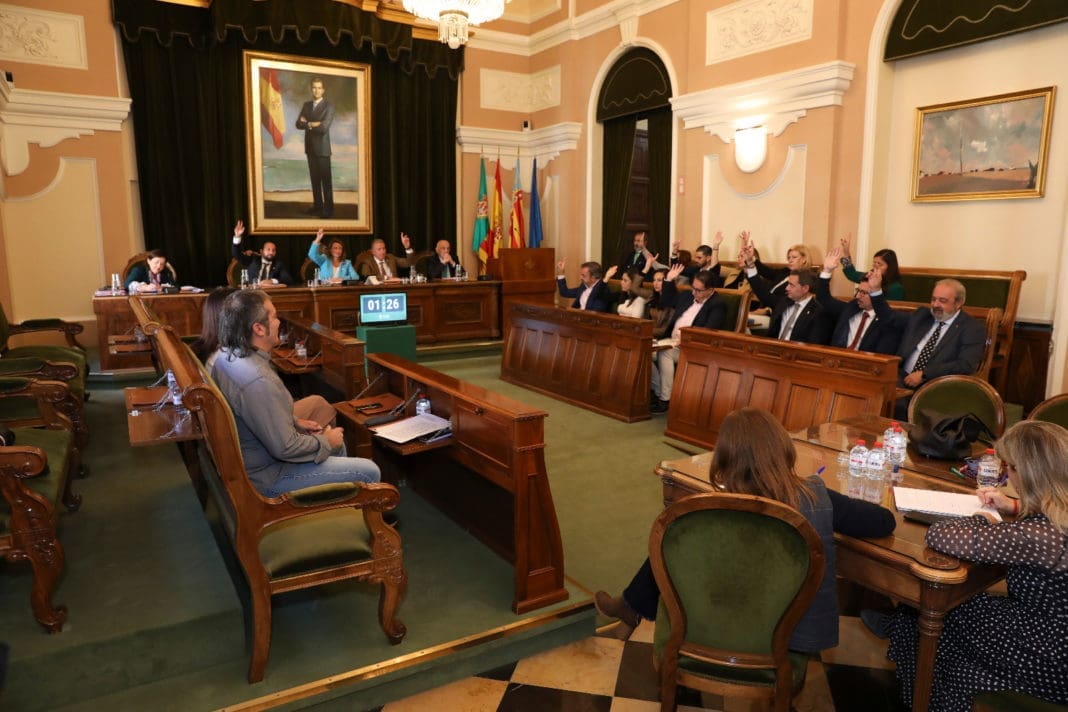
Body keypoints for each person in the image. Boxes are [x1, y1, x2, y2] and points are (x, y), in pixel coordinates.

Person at [595, 407, 896, 644]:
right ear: (784, 447)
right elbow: (883, 522)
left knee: (671, 544)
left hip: (714, 624)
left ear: (724, 458)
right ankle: (630, 608)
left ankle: (630, 607)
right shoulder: (816, 496)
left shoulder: (711, 510)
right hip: (791, 631)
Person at [877, 420, 1068, 711]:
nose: (1009, 476)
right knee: (947, 610)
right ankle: (903, 634)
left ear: (1030, 473)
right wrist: (1014, 506)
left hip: (1046, 656)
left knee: (934, 605)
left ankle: (922, 688)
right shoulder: (1057, 519)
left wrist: (982, 520)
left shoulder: (1039, 536)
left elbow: (940, 535)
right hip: (1053, 635)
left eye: (1011, 468)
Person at [211, 290, 379, 497]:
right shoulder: (259, 380)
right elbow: (285, 448)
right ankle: (345, 510)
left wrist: (294, 421)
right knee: (369, 471)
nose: (278, 322)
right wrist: (326, 441)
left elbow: (255, 414)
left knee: (334, 442)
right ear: (258, 328)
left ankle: (335, 503)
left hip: (252, 459)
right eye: (274, 316)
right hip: (268, 475)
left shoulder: (225, 356)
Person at [192, 287, 337, 427]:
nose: (278, 321)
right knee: (320, 406)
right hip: (253, 424)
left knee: (317, 404)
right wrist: (324, 440)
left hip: (244, 420)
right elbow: (279, 435)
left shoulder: (219, 351)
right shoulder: (237, 362)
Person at [871, 277, 985, 417]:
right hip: (901, 377)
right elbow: (889, 317)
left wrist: (925, 374)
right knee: (871, 392)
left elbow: (966, 364)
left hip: (935, 384)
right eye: (933, 299)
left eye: (942, 301)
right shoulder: (922, 315)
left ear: (959, 303)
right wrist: (875, 290)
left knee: (894, 404)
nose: (935, 304)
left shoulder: (972, 328)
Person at [650, 264, 726, 413]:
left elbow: (709, 331)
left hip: (692, 346)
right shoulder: (688, 296)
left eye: (698, 290)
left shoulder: (717, 305)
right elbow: (667, 301)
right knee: (644, 350)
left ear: (710, 290)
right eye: (693, 288)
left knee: (665, 353)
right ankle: (659, 391)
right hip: (672, 341)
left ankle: (665, 400)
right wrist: (668, 280)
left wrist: (686, 339)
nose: (694, 292)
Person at [816, 246, 901, 354]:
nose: (858, 296)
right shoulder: (852, 307)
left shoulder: (887, 318)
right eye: (858, 291)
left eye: (864, 293)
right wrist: (827, 270)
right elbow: (824, 298)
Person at [743, 244, 831, 345]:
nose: (786, 288)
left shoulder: (817, 312)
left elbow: (814, 345)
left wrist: (827, 271)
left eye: (794, 257)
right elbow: (765, 285)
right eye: (789, 257)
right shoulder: (785, 299)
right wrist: (750, 262)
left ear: (805, 288)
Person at [295, 76, 334, 219]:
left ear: (323, 90)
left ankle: (328, 209)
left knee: (326, 182)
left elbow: (324, 128)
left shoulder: (329, 106)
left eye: (319, 88)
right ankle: (318, 206)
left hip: (323, 150)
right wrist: (313, 123)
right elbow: (298, 124)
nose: (316, 90)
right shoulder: (306, 105)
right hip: (310, 148)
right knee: (315, 180)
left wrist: (307, 123)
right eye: (314, 88)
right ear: (311, 89)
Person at [838, 235, 905, 300]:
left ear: (890, 267)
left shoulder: (895, 288)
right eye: (874, 263)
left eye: (879, 264)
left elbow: (889, 307)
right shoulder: (869, 276)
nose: (875, 267)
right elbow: (852, 274)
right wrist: (846, 252)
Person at [231, 220, 293, 286]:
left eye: (273, 250)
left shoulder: (278, 264)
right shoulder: (252, 259)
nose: (271, 252)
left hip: (270, 291)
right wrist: (237, 236)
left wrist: (272, 281)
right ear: (261, 251)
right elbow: (236, 254)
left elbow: (288, 279)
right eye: (268, 250)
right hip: (253, 290)